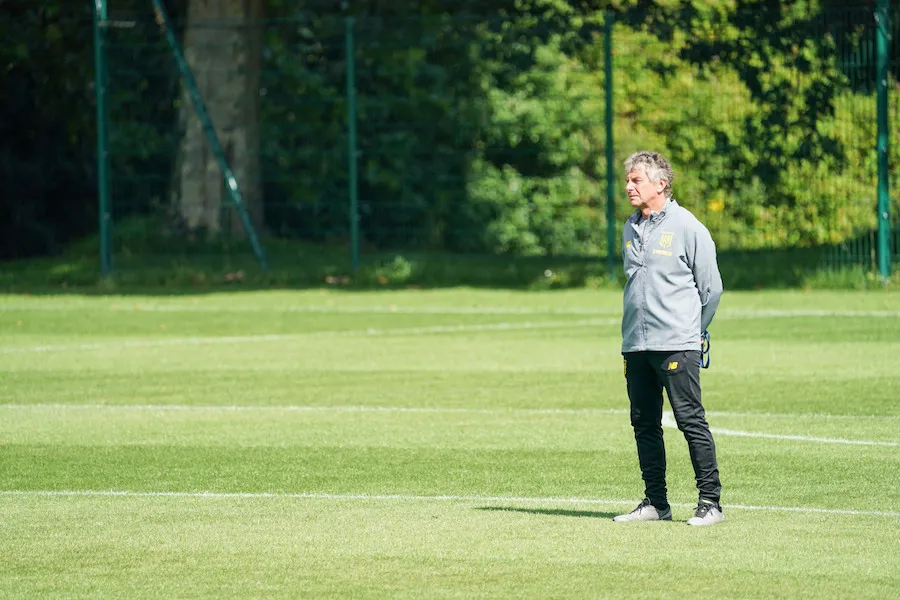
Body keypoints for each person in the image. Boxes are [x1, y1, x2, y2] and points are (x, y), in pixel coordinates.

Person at [612, 150, 725, 526]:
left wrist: (691, 331)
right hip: (636, 344)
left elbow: (711, 289)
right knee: (643, 422)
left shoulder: (688, 226)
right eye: (628, 180)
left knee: (690, 420)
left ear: (661, 184)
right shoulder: (629, 228)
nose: (629, 186)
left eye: (636, 180)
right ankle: (656, 503)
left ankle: (710, 503)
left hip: (677, 343)